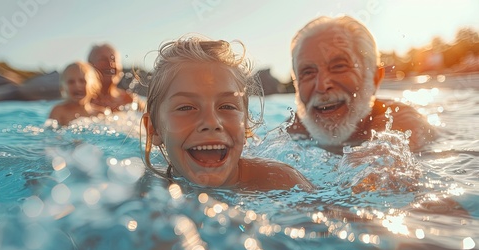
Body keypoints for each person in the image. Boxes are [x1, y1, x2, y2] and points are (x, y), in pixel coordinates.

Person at [141, 36, 314, 190]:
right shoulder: (145, 190)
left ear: (245, 126)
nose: (211, 122)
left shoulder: (281, 183)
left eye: (227, 107)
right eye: (186, 108)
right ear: (153, 129)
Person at [287, 15, 437, 154]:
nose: (321, 86)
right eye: (307, 72)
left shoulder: (400, 124)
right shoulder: (289, 131)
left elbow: (378, 175)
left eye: (339, 66)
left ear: (374, 78)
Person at [87, 43, 145, 112]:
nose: (110, 64)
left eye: (114, 59)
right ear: (89, 66)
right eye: (103, 60)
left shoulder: (132, 101)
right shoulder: (81, 103)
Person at [48, 61, 104, 126]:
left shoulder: (100, 114)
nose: (77, 86)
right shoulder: (59, 112)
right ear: (63, 88)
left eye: (82, 81)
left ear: (93, 86)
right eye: (71, 82)